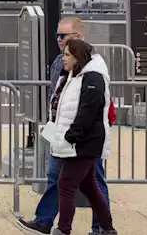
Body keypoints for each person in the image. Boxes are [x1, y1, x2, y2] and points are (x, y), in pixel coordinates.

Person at [18, 17, 111, 235]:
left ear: (77, 39)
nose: (58, 41)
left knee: (84, 183)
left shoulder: (91, 72)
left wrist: (72, 134)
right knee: (62, 179)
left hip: (80, 140)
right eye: (57, 35)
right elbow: (59, 98)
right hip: (63, 134)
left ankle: (85, 228)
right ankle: (45, 220)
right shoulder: (63, 63)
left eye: (63, 36)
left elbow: (87, 108)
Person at [41, 40, 117, 235]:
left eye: (67, 55)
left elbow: (87, 111)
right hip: (79, 141)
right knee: (89, 186)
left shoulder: (93, 78)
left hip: (85, 142)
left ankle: (64, 229)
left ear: (77, 57)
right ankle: (107, 228)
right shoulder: (73, 76)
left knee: (66, 184)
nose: (63, 59)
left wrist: (71, 135)